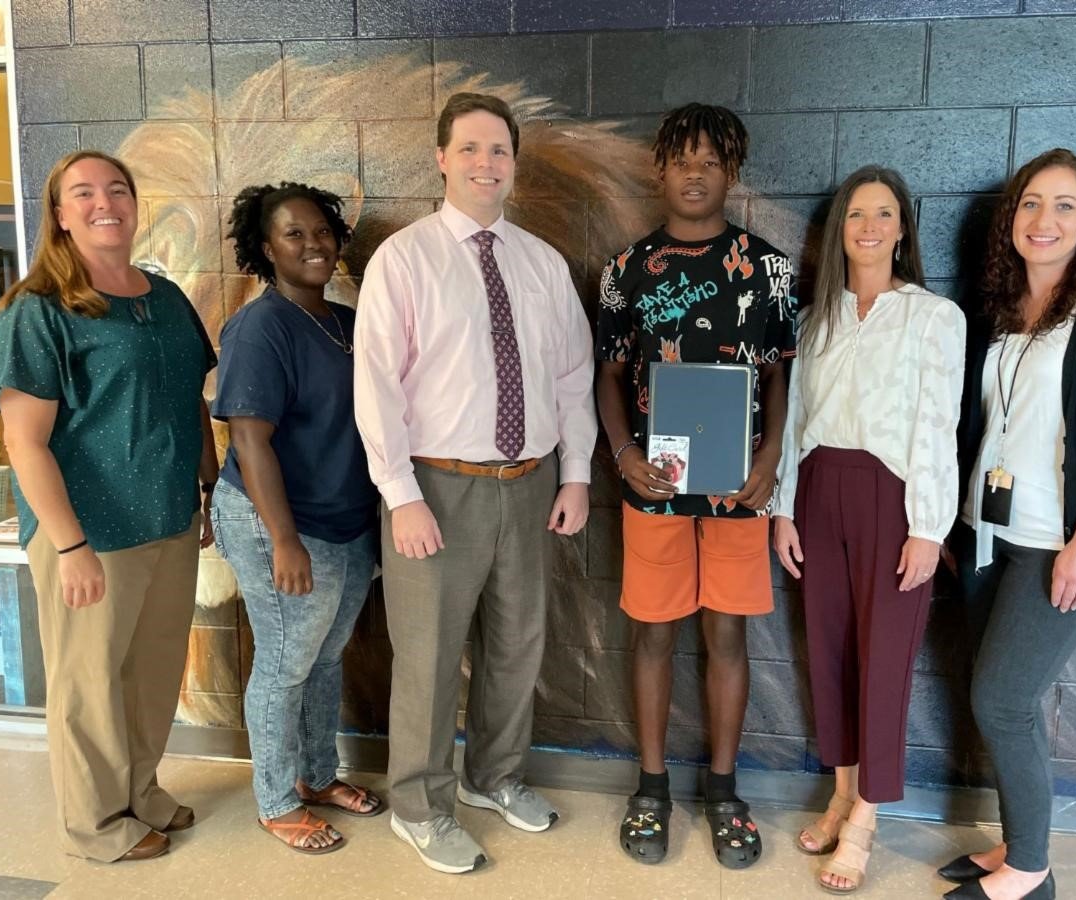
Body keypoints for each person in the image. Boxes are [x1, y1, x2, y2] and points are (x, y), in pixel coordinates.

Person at [354, 92, 597, 874]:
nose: (486, 163)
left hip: (530, 484)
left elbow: (572, 378)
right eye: (470, 148)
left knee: (518, 647)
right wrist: (401, 494)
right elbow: (378, 385)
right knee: (426, 658)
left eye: (498, 149)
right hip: (437, 486)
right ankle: (419, 808)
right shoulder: (406, 258)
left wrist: (578, 474)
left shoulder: (541, 263)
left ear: (513, 163)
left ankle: (495, 778)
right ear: (441, 158)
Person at [938, 149, 1076, 900]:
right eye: (1032, 203)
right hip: (987, 537)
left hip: (1058, 544)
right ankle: (1018, 843)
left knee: (1000, 700)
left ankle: (1032, 872)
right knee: (1008, 699)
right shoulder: (996, 311)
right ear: (1012, 219)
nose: (1046, 220)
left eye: (1066, 205)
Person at [0, 150, 218, 862]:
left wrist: (204, 491)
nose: (102, 202)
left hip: (169, 519)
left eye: (116, 189)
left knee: (149, 676)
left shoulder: (166, 297)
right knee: (89, 686)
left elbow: (192, 403)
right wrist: (67, 545)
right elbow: (25, 442)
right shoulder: (39, 312)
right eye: (81, 193)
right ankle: (96, 826)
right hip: (91, 533)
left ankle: (140, 794)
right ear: (59, 214)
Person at [595, 103, 796, 869]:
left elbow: (780, 375)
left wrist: (771, 454)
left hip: (739, 492)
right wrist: (621, 453)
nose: (695, 172)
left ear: (732, 173)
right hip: (654, 489)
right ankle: (651, 788)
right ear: (660, 168)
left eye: (712, 160)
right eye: (683, 158)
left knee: (727, 635)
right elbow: (610, 377)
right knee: (653, 632)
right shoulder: (627, 271)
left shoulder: (769, 267)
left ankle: (722, 788)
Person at [773, 166, 966, 894]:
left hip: (894, 502)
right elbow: (792, 423)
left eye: (884, 214)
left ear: (903, 229)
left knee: (884, 659)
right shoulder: (812, 320)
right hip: (820, 491)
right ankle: (841, 790)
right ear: (840, 228)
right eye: (857, 213)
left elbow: (936, 427)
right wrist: (783, 508)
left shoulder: (931, 317)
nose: (870, 226)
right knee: (830, 654)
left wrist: (928, 526)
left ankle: (866, 819)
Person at [212, 182, 382, 854]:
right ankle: (278, 800)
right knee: (285, 662)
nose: (313, 244)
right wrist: (283, 539)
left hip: (343, 521)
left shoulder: (343, 321)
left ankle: (316, 775)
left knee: (325, 658)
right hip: (275, 522)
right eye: (293, 234)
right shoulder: (261, 327)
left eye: (321, 231)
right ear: (264, 248)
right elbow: (249, 440)